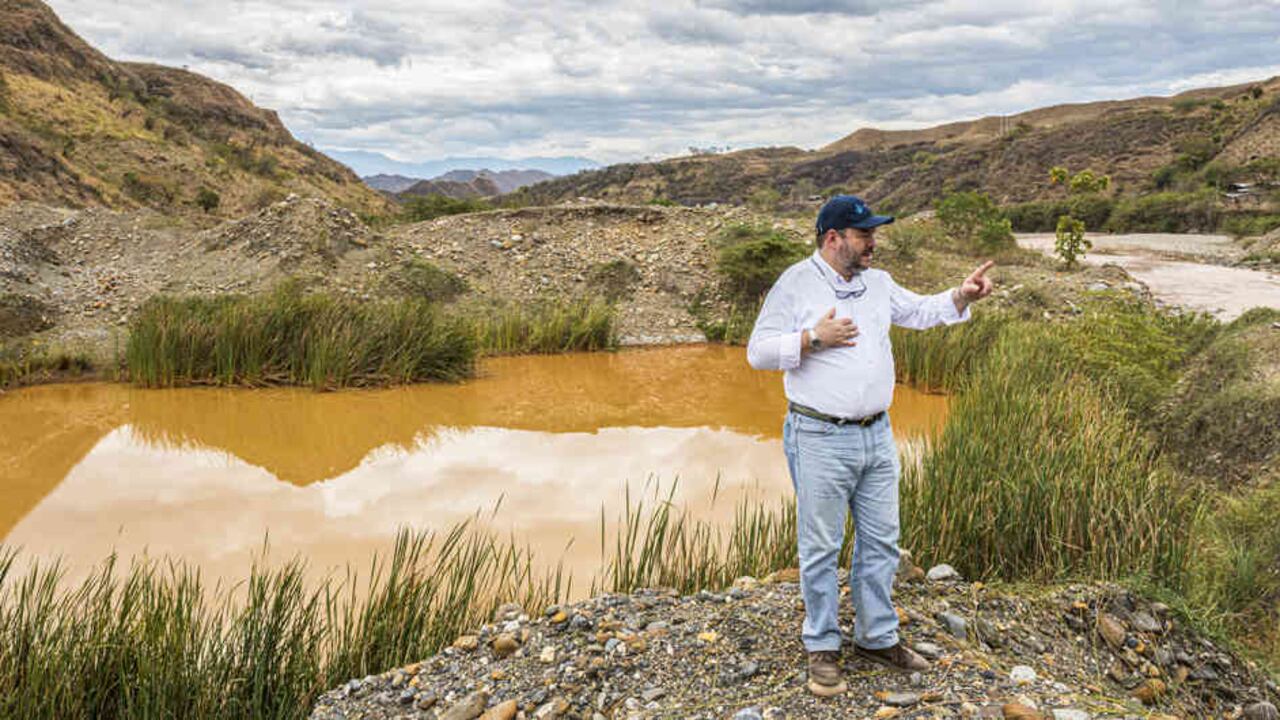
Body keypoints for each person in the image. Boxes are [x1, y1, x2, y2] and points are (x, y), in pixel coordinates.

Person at [746, 194, 994, 697]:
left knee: (882, 541)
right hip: (818, 435)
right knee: (821, 548)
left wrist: (962, 295)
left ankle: (877, 638)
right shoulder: (796, 282)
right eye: (864, 236)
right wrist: (813, 338)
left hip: (877, 434)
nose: (873, 243)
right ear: (833, 238)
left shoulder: (877, 283)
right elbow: (757, 352)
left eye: (873, 234)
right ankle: (822, 645)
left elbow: (922, 311)